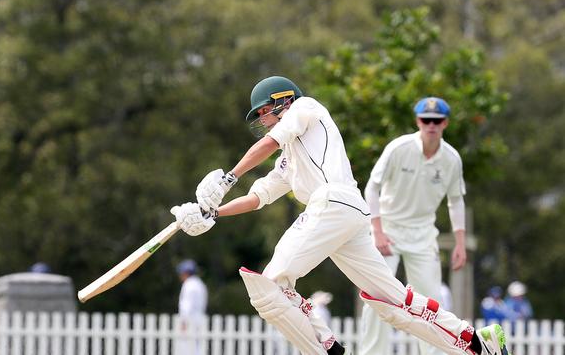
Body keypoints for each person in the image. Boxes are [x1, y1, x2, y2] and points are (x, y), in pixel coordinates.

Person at [169, 76, 509, 355]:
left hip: (333, 203)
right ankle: (477, 342)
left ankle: (328, 348)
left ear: (281, 101)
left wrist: (228, 178)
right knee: (393, 303)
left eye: (263, 112)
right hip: (348, 215)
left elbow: (270, 142)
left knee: (270, 287)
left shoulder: (305, 108)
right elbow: (260, 196)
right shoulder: (291, 156)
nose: (261, 120)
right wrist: (212, 211)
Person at [359, 96, 469, 355]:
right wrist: (377, 230)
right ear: (418, 121)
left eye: (437, 120)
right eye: (426, 120)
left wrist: (460, 244)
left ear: (445, 123)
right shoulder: (399, 148)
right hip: (387, 229)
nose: (431, 125)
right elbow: (371, 188)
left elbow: (456, 201)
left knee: (431, 302)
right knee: (378, 297)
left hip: (422, 234)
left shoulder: (452, 159)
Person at [175, 259, 208, 355]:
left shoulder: (188, 285)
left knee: (187, 349)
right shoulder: (200, 284)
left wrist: (183, 322)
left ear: (185, 273)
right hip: (200, 320)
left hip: (190, 321)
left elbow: (186, 306)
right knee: (198, 348)